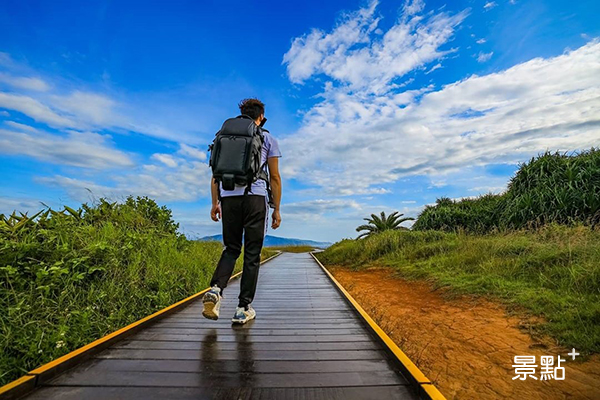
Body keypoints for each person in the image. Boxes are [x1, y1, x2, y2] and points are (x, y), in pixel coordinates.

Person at [202, 98, 282, 324]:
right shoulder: (267, 138)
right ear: (261, 117)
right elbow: (274, 177)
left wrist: (215, 203)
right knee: (252, 253)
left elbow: (215, 176)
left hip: (228, 199)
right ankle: (243, 308)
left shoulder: (222, 137)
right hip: (255, 199)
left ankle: (216, 290)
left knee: (231, 248)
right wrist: (276, 208)